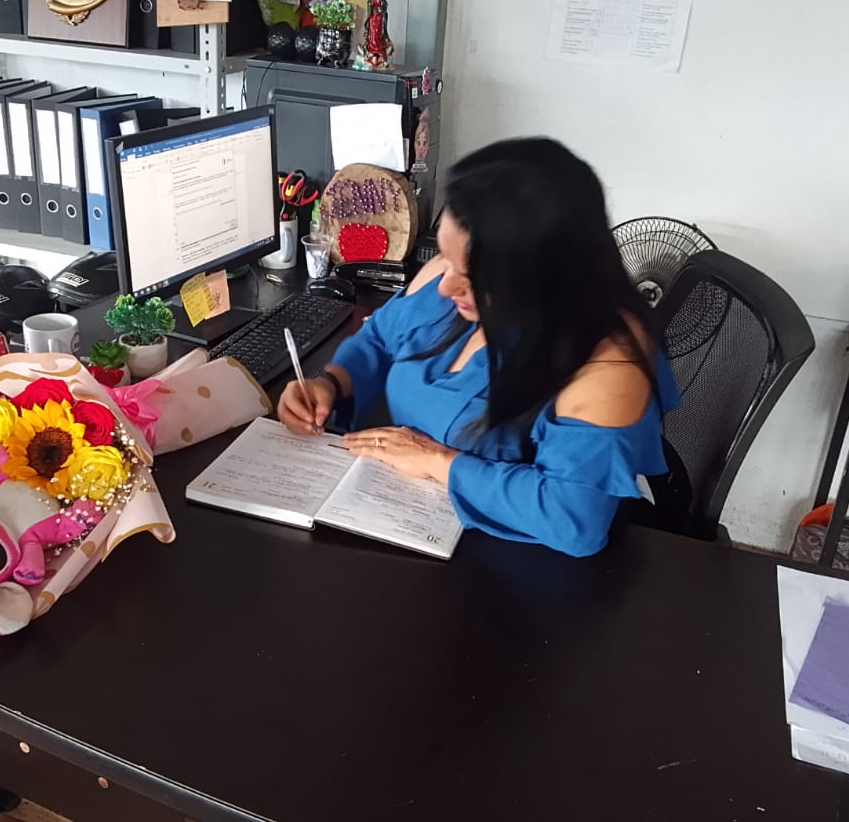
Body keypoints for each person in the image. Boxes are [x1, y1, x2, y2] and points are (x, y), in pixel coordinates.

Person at [278, 138, 680, 557]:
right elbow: (381, 338)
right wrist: (332, 383)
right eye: (446, 257)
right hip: (401, 518)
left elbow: (572, 518)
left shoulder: (609, 363)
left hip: (508, 566)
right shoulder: (452, 275)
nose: (445, 284)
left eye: (472, 278)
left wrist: (438, 462)